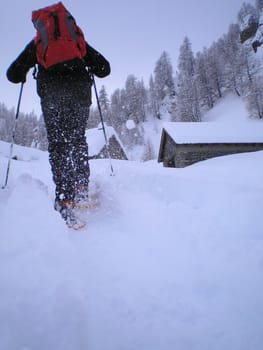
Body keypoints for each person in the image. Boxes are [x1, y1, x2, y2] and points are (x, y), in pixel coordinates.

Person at [6, 3, 111, 227]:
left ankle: (66, 201)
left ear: (40, 24)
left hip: (52, 96)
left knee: (59, 146)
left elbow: (12, 75)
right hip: (79, 94)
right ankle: (82, 188)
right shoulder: (76, 41)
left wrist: (27, 70)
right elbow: (105, 68)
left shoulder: (38, 44)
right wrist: (86, 63)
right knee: (77, 139)